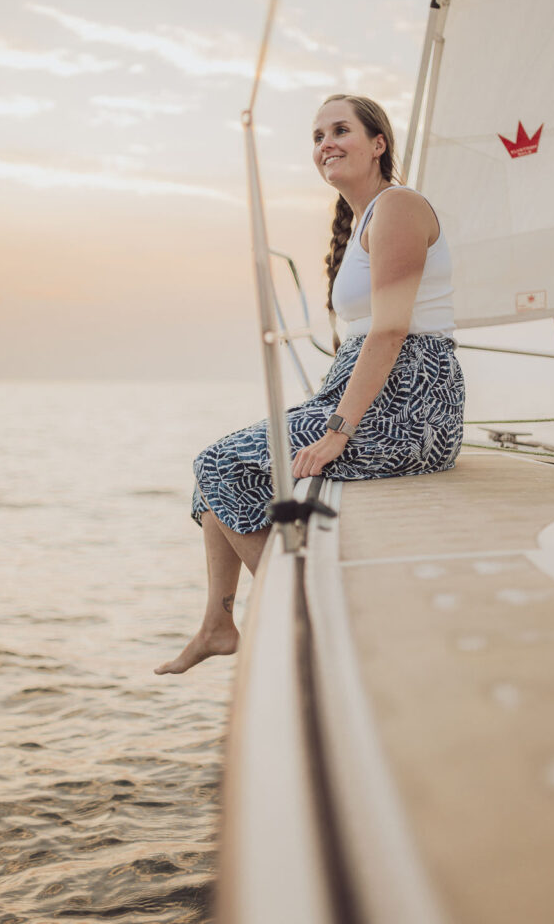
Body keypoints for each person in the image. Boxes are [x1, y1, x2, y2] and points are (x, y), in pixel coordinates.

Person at [154, 94, 465, 676]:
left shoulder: (398, 205)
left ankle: (301, 618)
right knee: (212, 481)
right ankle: (219, 625)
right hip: (375, 389)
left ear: (379, 144)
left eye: (340, 130)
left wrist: (337, 430)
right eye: (317, 135)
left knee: (220, 464)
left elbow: (392, 330)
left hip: (410, 402)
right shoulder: (365, 220)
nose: (326, 143)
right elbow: (369, 336)